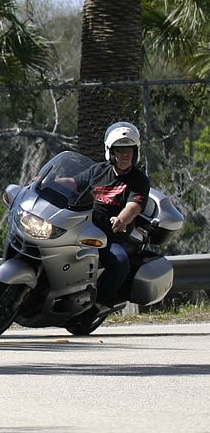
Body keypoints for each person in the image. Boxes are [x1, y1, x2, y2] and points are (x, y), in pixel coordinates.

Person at [72, 121, 150, 310]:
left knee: (120, 261)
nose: (125, 155)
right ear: (111, 152)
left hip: (110, 237)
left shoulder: (138, 180)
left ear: (135, 153)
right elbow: (72, 183)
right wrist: (43, 183)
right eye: (120, 150)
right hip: (83, 230)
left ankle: (99, 305)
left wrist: (122, 219)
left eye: (129, 151)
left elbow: (134, 205)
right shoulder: (97, 171)